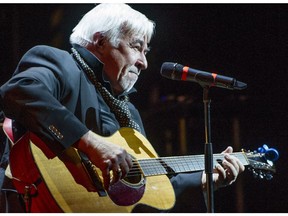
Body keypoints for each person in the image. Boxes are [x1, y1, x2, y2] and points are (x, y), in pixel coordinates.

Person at [0, 3, 244, 213]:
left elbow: (148, 190)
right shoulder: (61, 63)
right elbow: (19, 91)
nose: (144, 62)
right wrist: (91, 144)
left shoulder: (131, 114)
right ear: (100, 40)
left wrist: (204, 179)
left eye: (146, 51)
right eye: (136, 47)